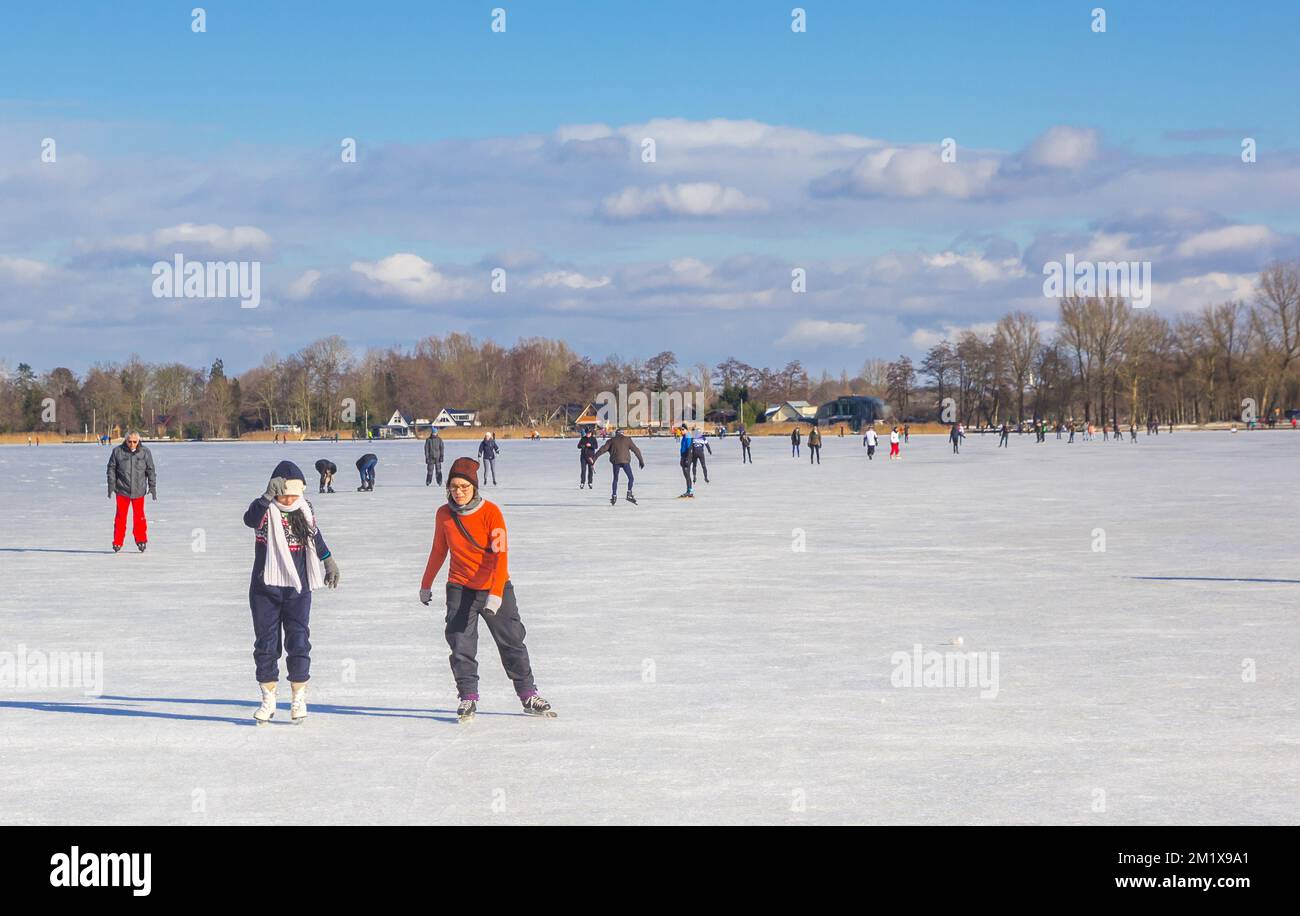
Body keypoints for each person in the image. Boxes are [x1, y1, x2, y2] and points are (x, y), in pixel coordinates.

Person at [418, 456, 555, 722]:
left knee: (512, 641)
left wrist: (495, 594)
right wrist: (426, 583)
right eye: (454, 487)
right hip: (459, 587)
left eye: (464, 487)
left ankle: (528, 694)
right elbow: (438, 550)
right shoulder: (444, 514)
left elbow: (501, 556)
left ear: (474, 488)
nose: (458, 492)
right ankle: (467, 697)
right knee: (461, 645)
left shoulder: (491, 512)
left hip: (495, 586)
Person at [243, 460, 340, 725]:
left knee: (299, 642)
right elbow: (248, 519)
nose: (288, 498)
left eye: (293, 494)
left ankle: (298, 697)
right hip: (265, 589)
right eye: (283, 492)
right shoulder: (264, 509)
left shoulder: (305, 508)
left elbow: (314, 535)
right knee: (266, 644)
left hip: (298, 589)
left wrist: (328, 560)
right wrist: (266, 497)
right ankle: (268, 699)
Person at [107, 431, 157, 552]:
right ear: (126, 440)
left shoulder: (145, 452)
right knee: (120, 517)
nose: (132, 444)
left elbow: (150, 470)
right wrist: (111, 484)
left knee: (139, 517)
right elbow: (111, 468)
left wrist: (152, 486)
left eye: (135, 441)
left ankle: (141, 540)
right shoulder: (118, 451)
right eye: (130, 441)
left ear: (138, 441)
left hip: (139, 490)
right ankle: (117, 542)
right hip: (122, 490)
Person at [592, 428, 644, 504]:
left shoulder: (611, 441)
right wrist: (641, 461)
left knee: (615, 479)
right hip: (625, 461)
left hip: (616, 462)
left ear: (616, 433)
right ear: (622, 433)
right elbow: (636, 450)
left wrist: (594, 459)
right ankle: (629, 494)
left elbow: (602, 450)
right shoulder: (627, 440)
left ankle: (614, 496)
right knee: (631, 478)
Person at [677, 425, 696, 497]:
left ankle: (690, 491)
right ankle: (688, 490)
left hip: (687, 457)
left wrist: (688, 459)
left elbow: (689, 449)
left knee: (687, 474)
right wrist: (682, 459)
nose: (681, 431)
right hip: (683, 457)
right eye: (680, 430)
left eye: (682, 430)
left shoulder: (688, 436)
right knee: (686, 475)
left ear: (685, 429)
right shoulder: (684, 436)